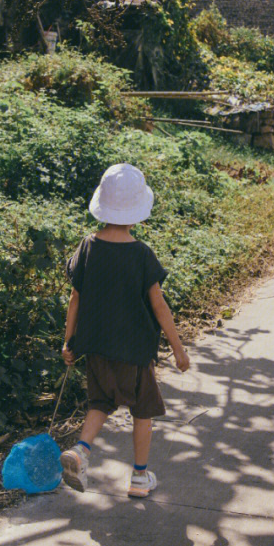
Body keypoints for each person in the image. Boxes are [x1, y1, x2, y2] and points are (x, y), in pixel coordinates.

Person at [59, 163, 190, 497]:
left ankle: (80, 451)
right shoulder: (141, 254)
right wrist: (178, 348)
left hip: (97, 348)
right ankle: (139, 477)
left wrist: (68, 341)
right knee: (143, 411)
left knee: (100, 402)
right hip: (134, 351)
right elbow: (159, 306)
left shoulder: (88, 246)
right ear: (137, 211)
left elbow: (76, 297)